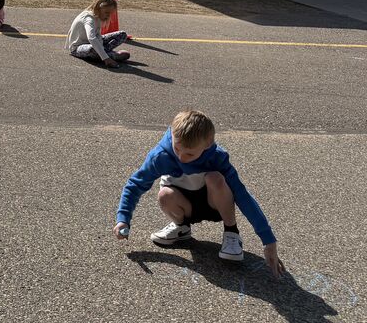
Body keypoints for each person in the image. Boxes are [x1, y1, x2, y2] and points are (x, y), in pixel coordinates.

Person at [114, 110, 283, 276]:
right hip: (184, 204)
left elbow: (242, 195)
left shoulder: (217, 157)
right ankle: (181, 227)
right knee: (164, 195)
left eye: (189, 153)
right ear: (172, 134)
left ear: (208, 144)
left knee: (215, 178)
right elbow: (135, 184)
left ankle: (231, 233)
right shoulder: (161, 156)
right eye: (177, 148)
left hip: (214, 204)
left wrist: (268, 240)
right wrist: (123, 219)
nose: (181, 157)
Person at [66, 0, 129, 66]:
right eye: (106, 12)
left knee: (122, 35)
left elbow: (98, 35)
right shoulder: (89, 19)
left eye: (110, 13)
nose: (108, 15)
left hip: (93, 43)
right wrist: (106, 58)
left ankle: (103, 53)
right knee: (93, 48)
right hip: (78, 47)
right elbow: (91, 38)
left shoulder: (98, 16)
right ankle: (109, 56)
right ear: (98, 9)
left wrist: (101, 46)